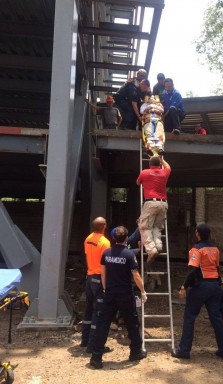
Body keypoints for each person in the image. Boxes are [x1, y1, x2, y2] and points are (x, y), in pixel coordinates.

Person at [89, 226, 147, 369]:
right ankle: (135, 352)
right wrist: (143, 291)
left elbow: (103, 274)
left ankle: (96, 357)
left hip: (110, 293)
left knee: (103, 324)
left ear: (114, 238)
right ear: (127, 238)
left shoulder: (106, 253)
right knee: (132, 322)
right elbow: (136, 275)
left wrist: (105, 288)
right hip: (125, 294)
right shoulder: (129, 255)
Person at [171, 224, 223, 361]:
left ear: (197, 234)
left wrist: (184, 287)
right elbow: (216, 267)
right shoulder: (215, 249)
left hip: (201, 287)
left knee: (190, 317)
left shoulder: (196, 250)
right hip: (215, 285)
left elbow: (192, 270)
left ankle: (184, 350)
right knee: (217, 319)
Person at [81, 217, 111, 350]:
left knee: (88, 309)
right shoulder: (105, 243)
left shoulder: (87, 239)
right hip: (99, 278)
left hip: (89, 277)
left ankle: (85, 340)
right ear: (104, 226)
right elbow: (105, 264)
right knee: (98, 311)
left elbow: (89, 256)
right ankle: (93, 345)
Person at [136, 156, 171, 263]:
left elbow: (138, 183)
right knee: (157, 227)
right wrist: (162, 160)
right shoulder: (165, 173)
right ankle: (158, 246)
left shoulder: (145, 172)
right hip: (163, 204)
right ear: (159, 164)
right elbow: (168, 167)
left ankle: (151, 250)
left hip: (151, 202)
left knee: (145, 227)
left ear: (150, 164)